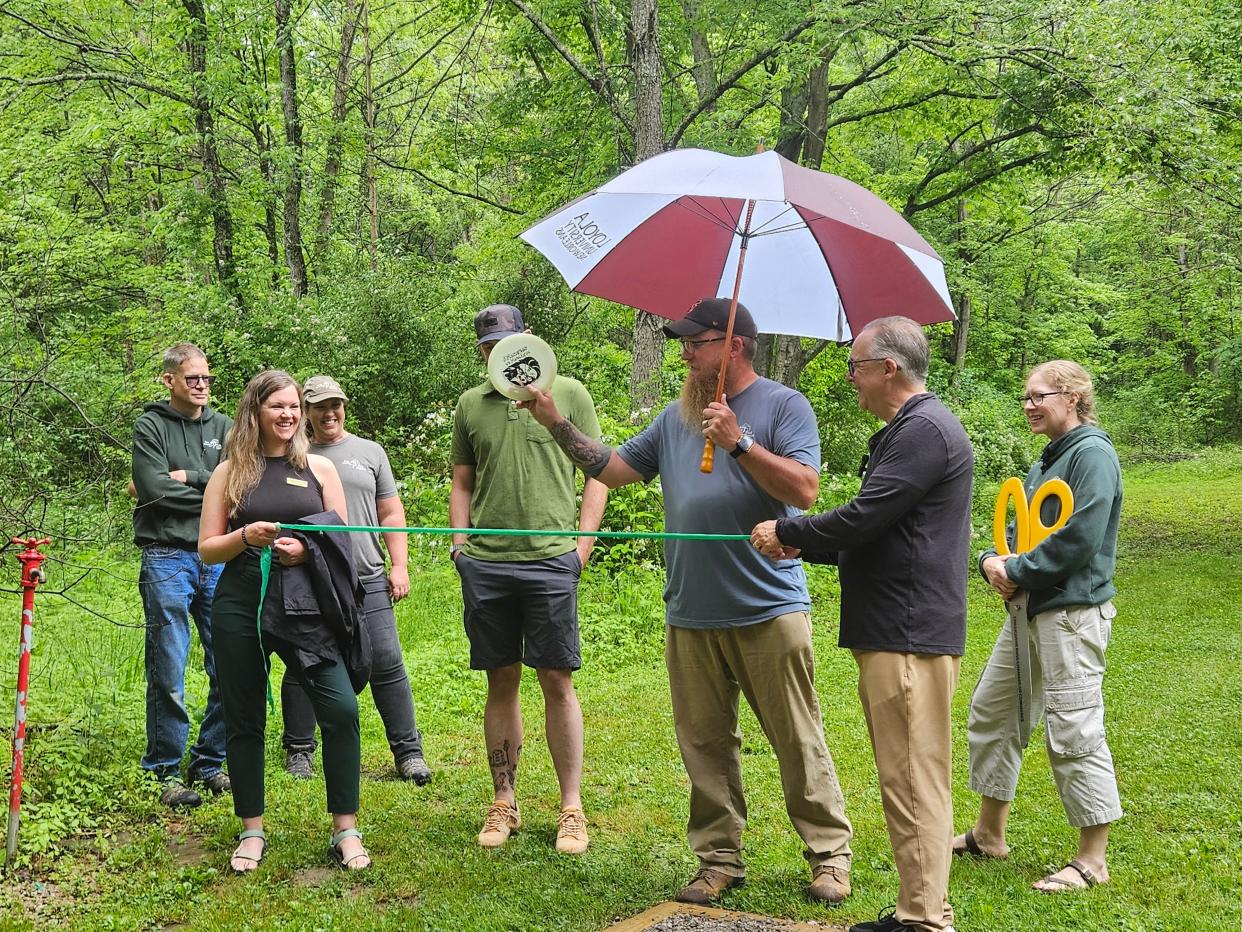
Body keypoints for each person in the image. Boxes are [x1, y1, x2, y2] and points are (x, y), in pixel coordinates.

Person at [522, 297, 854, 905]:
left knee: (795, 737)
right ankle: (719, 858)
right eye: (684, 343)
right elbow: (613, 468)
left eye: (697, 343)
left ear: (734, 345)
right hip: (691, 611)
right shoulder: (678, 416)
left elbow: (805, 492)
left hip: (768, 608)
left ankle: (829, 856)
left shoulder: (784, 405)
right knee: (703, 743)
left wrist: (738, 442)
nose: (685, 352)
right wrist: (553, 421)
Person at [751, 316, 973, 932]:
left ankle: (924, 920)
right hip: (898, 627)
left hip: (907, 631)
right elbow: (888, 531)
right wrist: (808, 546)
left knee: (912, 776)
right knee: (908, 772)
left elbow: (869, 516)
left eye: (855, 366)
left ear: (889, 369)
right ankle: (923, 909)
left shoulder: (924, 429)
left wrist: (790, 531)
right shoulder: (913, 429)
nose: (851, 379)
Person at [952, 361, 1123, 894]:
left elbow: (1079, 537)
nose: (1028, 405)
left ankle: (1092, 859)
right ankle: (989, 833)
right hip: (1029, 608)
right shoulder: (1052, 457)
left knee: (1073, 725)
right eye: (1024, 396)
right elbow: (1019, 528)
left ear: (1072, 397)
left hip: (1069, 614)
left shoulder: (1092, 455)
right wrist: (991, 560)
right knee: (995, 708)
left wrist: (1017, 570)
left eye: (1038, 396)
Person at [450, 304, 608, 855]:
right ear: (482, 352)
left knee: (557, 680)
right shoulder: (472, 404)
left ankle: (571, 807)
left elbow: (599, 473)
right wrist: (460, 544)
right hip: (488, 564)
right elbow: (463, 482)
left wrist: (581, 548)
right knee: (501, 679)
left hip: (551, 561)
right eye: (489, 346)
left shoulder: (569, 394)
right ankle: (504, 799)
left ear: (529, 339)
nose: (499, 353)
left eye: (508, 342)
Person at [199, 370, 371, 873]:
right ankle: (251, 829)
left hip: (305, 604)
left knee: (340, 710)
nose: (289, 415)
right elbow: (208, 550)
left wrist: (306, 549)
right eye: (277, 406)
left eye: (294, 406)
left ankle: (346, 828)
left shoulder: (319, 469)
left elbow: (341, 539)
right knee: (245, 716)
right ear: (255, 411)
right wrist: (245, 538)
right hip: (241, 600)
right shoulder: (230, 472)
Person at [280, 375, 432, 785]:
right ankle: (299, 750)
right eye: (319, 407)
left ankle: (409, 752)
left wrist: (398, 565)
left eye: (336, 405)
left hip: (366, 575)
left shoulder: (369, 452)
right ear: (306, 412)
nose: (329, 413)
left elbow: (391, 513)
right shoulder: (292, 456)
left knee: (386, 662)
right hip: (312, 578)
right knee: (304, 662)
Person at [132, 342, 232, 808]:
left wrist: (190, 477)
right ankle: (165, 770)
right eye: (192, 379)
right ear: (169, 380)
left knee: (230, 663)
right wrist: (215, 489)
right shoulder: (150, 426)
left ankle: (209, 761)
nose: (201, 387)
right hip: (166, 556)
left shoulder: (225, 427)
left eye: (207, 379)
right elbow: (152, 491)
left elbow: (241, 486)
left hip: (219, 555)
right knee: (169, 668)